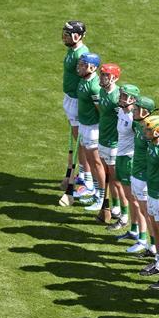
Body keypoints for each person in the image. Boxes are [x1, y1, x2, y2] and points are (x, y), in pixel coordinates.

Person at [108, 84, 145, 237]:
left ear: (133, 99)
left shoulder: (133, 119)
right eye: (121, 95)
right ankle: (133, 228)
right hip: (121, 157)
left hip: (129, 160)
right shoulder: (122, 112)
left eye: (124, 96)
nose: (121, 98)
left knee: (134, 200)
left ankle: (139, 234)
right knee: (129, 197)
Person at [138, 116, 159, 283]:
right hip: (151, 192)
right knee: (155, 230)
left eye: (148, 130)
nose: (145, 132)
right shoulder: (152, 144)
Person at [75, 52, 106, 213]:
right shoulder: (82, 80)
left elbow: (101, 111)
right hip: (84, 125)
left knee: (96, 163)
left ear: (92, 68)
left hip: (94, 128)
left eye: (82, 65)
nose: (78, 67)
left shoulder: (94, 86)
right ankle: (94, 191)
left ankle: (101, 197)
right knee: (89, 159)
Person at [60, 20, 89, 192]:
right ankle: (83, 174)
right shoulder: (72, 50)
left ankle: (85, 177)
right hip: (70, 98)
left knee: (82, 141)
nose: (64, 37)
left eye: (67, 34)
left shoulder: (82, 54)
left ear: (77, 36)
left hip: (77, 101)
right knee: (77, 138)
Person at [127, 96, 158, 254]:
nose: (133, 109)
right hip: (136, 174)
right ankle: (143, 240)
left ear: (145, 112)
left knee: (148, 214)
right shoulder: (139, 125)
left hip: (145, 178)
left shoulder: (149, 131)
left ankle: (153, 246)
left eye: (136, 108)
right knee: (141, 210)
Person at [92, 63, 121, 211]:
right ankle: (110, 205)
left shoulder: (117, 98)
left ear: (114, 78)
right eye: (102, 74)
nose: (102, 78)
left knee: (116, 180)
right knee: (107, 175)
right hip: (102, 139)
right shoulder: (102, 92)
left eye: (106, 75)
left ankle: (119, 210)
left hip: (113, 143)